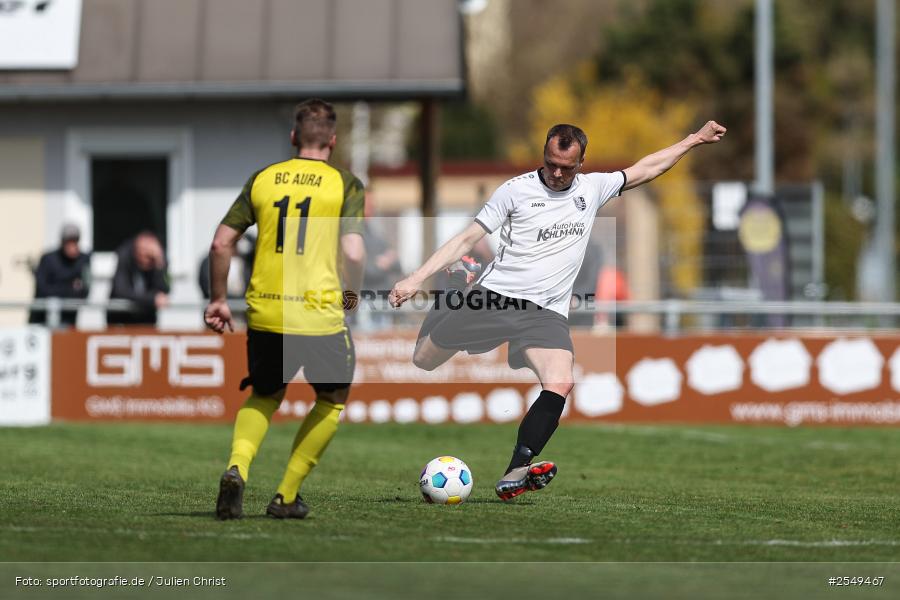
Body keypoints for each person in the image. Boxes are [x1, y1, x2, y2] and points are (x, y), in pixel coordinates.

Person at [390, 120, 726, 500]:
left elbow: (647, 168)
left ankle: (515, 470)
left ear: (582, 162)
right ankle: (455, 286)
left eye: (566, 167)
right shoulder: (515, 191)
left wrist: (694, 140)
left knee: (560, 381)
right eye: (550, 163)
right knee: (424, 359)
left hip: (544, 313)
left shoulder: (593, 188)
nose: (556, 173)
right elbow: (469, 237)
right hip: (494, 298)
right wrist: (416, 278)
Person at [204, 98, 366, 520]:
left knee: (264, 394)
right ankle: (286, 496)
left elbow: (221, 242)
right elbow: (353, 248)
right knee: (331, 400)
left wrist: (218, 298)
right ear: (333, 140)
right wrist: (353, 294)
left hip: (266, 311)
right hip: (318, 313)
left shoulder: (264, 178)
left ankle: (237, 468)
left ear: (294, 137)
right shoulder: (344, 184)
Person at [29, 224, 91, 326]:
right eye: (69, 242)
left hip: (69, 320)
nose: (72, 246)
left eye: (75, 241)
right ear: (62, 243)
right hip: (42, 320)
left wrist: (59, 289)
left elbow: (85, 291)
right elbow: (42, 290)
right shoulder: (48, 259)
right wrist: (70, 288)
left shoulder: (83, 260)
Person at [107, 231, 169, 326]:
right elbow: (121, 290)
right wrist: (151, 299)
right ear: (137, 250)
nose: (147, 261)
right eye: (145, 256)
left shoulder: (159, 260)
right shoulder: (124, 255)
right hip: (121, 318)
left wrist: (160, 265)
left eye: (150, 258)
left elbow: (165, 289)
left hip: (147, 319)